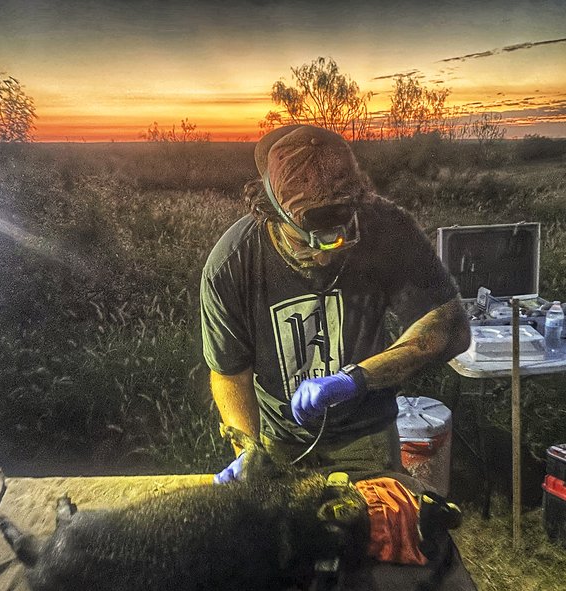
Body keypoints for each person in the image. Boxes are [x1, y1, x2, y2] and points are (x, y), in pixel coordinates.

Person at [201, 124, 470, 483]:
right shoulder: (232, 265)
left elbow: (449, 326)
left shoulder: (387, 228)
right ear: (270, 212)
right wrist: (248, 449)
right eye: (308, 243)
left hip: (367, 435)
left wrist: (356, 380)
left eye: (340, 238)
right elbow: (229, 373)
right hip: (281, 439)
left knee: (383, 529)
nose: (325, 256)